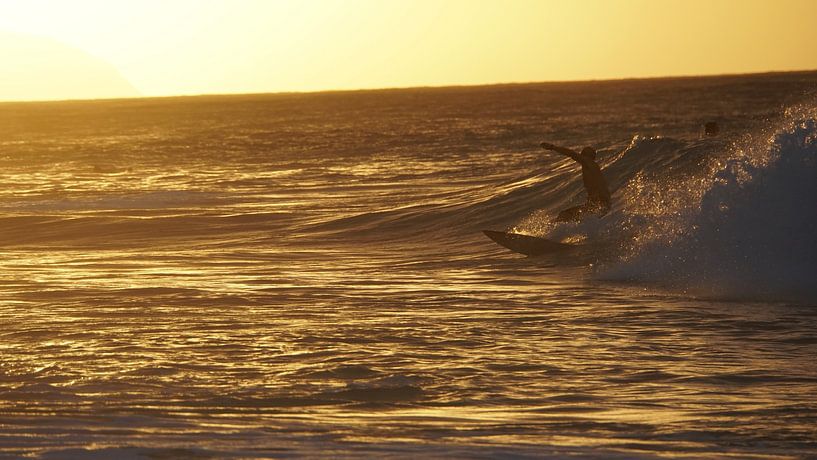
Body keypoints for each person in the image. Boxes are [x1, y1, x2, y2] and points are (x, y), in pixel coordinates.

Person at [540, 142, 611, 222]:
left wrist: (552, 147)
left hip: (599, 203)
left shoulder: (588, 162)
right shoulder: (594, 168)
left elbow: (571, 153)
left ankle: (550, 230)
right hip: (602, 205)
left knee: (565, 215)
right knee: (576, 219)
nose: (580, 156)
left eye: (582, 154)